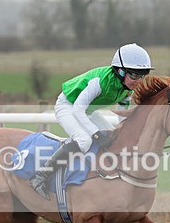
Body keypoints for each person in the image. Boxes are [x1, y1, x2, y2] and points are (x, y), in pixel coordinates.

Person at [29, 43, 154, 199]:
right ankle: (41, 176)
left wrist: (125, 130)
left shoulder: (128, 87)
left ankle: (108, 178)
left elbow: (122, 114)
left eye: (142, 75)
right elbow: (77, 110)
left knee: (114, 137)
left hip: (87, 111)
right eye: (135, 75)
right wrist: (95, 134)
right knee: (84, 140)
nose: (139, 81)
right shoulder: (99, 82)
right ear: (120, 71)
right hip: (68, 106)